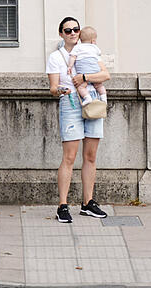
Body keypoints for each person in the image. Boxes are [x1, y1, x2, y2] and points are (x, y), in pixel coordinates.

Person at [46, 16, 111, 223]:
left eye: (76, 29)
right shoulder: (57, 57)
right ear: (61, 34)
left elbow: (105, 75)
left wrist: (84, 78)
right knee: (70, 157)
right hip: (71, 103)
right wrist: (61, 90)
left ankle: (88, 202)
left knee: (91, 156)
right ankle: (62, 205)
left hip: (92, 101)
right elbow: (53, 88)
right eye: (68, 30)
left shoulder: (90, 49)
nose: (73, 33)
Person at [68, 26, 108, 106]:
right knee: (99, 85)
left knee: (81, 87)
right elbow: (98, 56)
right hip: (95, 70)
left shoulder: (77, 47)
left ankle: (87, 97)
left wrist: (70, 66)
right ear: (93, 41)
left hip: (83, 71)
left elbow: (73, 57)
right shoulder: (95, 48)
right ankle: (104, 98)